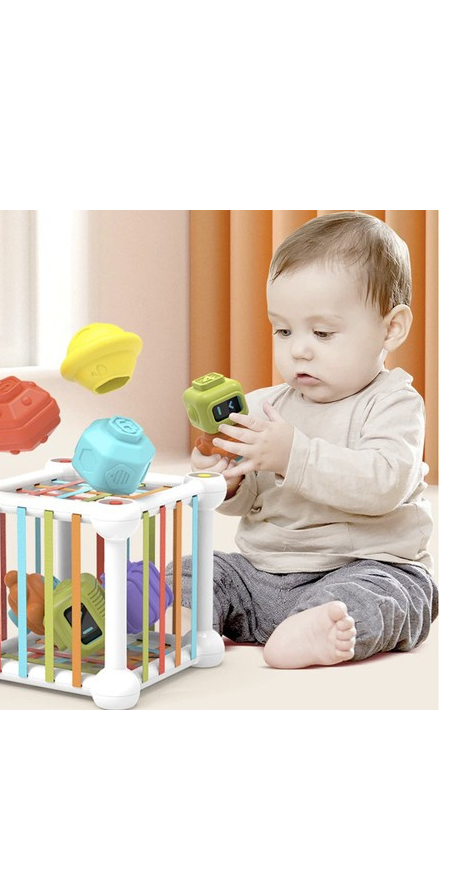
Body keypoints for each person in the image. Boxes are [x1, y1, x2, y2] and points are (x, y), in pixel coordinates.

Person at [181, 211, 437, 668]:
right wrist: (228, 481)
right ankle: (176, 618)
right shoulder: (263, 406)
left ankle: (317, 629)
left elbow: (384, 484)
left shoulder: (393, 403)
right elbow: (252, 503)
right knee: (196, 570)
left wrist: (292, 455)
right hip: (264, 574)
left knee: (390, 596)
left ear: (391, 327)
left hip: (364, 567)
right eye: (283, 330)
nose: (298, 348)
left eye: (322, 332)